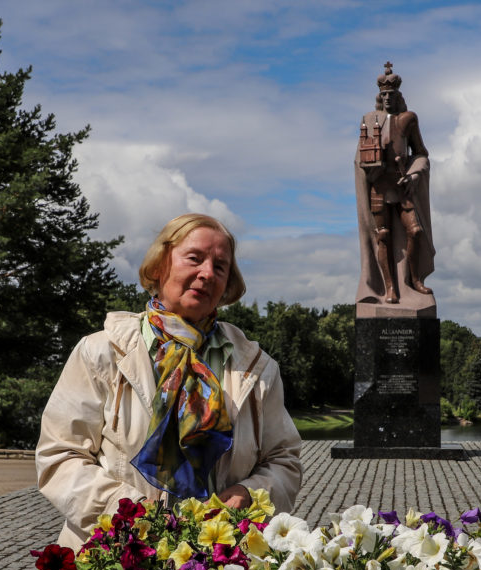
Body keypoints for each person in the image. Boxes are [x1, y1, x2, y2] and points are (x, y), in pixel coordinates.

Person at [36, 214, 303, 550]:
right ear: (159, 265)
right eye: (194, 258)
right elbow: (61, 457)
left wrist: (249, 495)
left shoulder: (257, 368)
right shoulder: (102, 353)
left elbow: (284, 461)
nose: (207, 273)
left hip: (223, 564)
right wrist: (134, 516)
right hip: (118, 560)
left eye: (220, 267)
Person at [354, 62, 435, 313]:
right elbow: (360, 157)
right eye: (384, 95)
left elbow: (421, 153)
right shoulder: (369, 120)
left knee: (416, 232)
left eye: (392, 95)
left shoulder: (408, 119)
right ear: (380, 97)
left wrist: (413, 175)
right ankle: (389, 287)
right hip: (378, 187)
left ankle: (413, 280)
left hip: (402, 187)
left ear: (398, 96)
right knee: (384, 237)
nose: (388, 98)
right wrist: (367, 169)